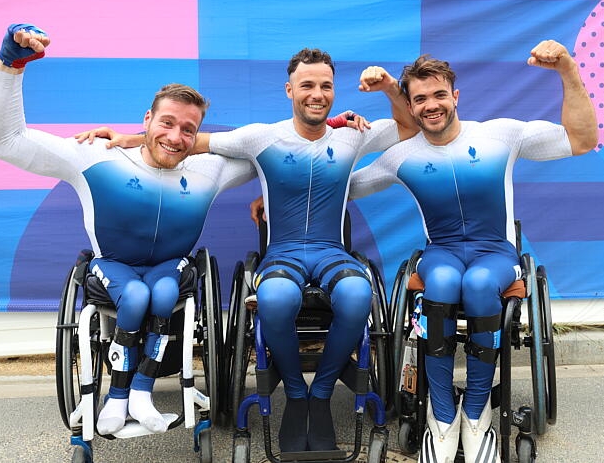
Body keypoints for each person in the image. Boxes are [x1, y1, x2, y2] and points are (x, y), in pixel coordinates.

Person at [75, 48, 419, 452]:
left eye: (325, 86)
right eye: (307, 85)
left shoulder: (353, 135)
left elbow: (410, 125)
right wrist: (128, 138)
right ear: (290, 90)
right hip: (284, 253)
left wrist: (389, 87)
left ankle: (321, 394)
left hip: (332, 250)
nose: (317, 93)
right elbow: (190, 143)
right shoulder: (261, 136)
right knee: (274, 297)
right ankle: (294, 394)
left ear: (334, 91)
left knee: (359, 293)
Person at [0, 24, 256, 436]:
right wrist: (11, 63)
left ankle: (142, 394)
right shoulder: (95, 154)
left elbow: (269, 149)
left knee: (162, 291)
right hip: (115, 269)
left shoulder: (209, 168)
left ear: (199, 137)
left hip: (169, 270)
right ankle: (118, 396)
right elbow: (3, 140)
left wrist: (332, 125)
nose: (176, 136)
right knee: (141, 293)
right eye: (166, 123)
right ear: (147, 118)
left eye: (188, 130)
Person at [347, 40, 596, 463]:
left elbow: (582, 138)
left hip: (495, 254)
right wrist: (275, 199)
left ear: (455, 97)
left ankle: (477, 414)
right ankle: (442, 417)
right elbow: (341, 189)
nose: (431, 105)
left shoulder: (500, 135)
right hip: (442, 252)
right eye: (420, 98)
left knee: (480, 284)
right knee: (442, 281)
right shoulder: (400, 156)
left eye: (439, 95)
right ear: (409, 106)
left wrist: (567, 70)